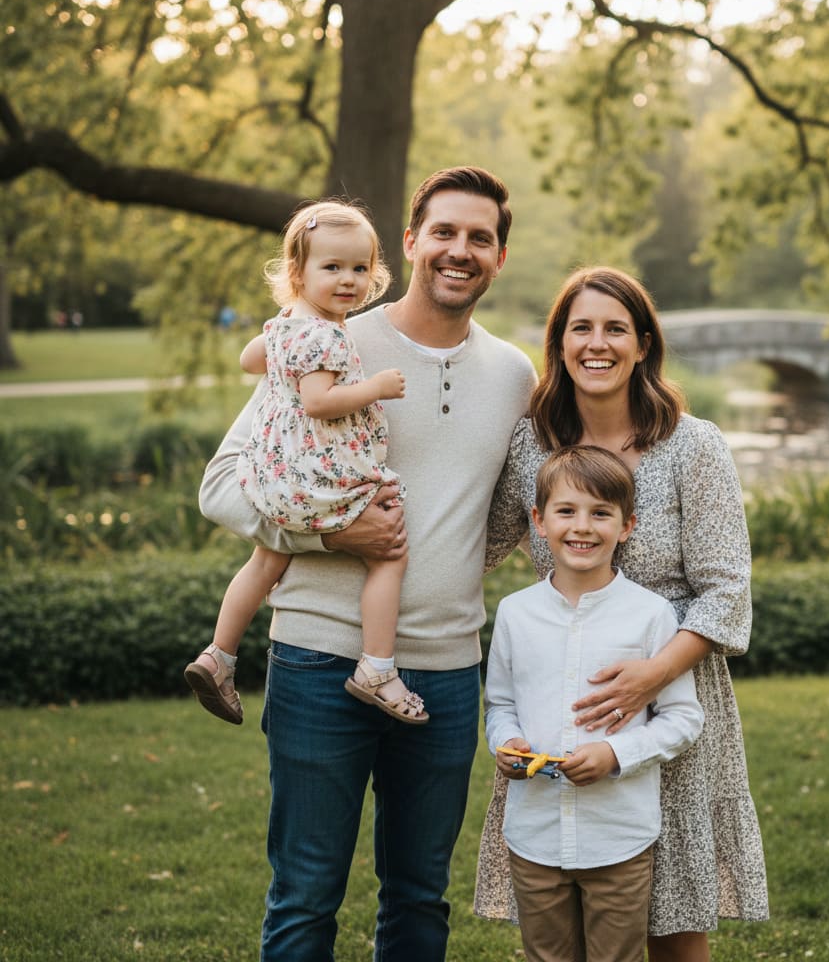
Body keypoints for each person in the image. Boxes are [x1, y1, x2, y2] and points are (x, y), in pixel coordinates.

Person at [198, 166, 536, 962]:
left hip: (446, 673)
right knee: (306, 896)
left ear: (499, 257)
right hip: (319, 659)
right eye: (444, 233)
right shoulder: (330, 337)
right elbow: (224, 486)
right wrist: (333, 537)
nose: (460, 250)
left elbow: (506, 514)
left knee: (421, 900)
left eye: (479, 238)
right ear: (412, 242)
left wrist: (455, 571)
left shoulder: (514, 374)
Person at [475, 266, 769, 962]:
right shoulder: (529, 446)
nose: (596, 343)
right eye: (581, 328)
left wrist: (647, 678)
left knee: (672, 915)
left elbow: (727, 590)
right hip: (561, 698)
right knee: (562, 913)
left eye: (614, 329)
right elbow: (475, 546)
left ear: (643, 344)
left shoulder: (693, 445)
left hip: (671, 695)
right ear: (560, 342)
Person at [185, 199, 427, 727]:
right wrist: (375, 388)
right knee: (390, 554)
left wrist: (281, 347)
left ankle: (218, 655)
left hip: (276, 477)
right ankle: (377, 669)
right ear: (298, 273)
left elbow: (251, 360)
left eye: (359, 268)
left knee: (266, 559)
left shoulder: (287, 325)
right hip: (320, 477)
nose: (349, 281)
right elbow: (319, 402)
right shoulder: (326, 334)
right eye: (332, 267)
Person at [486, 445, 705, 962]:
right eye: (566, 511)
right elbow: (499, 704)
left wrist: (616, 754)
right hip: (534, 836)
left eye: (600, 513)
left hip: (620, 839)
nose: (582, 527)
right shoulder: (515, 614)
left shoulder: (651, 617)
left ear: (626, 526)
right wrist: (506, 742)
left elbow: (683, 717)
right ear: (539, 522)